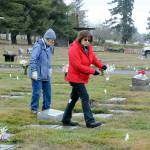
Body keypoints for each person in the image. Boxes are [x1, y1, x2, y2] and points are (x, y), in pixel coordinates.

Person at [62, 30, 107, 128]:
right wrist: (92, 71)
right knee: (85, 97)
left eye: (89, 40)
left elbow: (93, 59)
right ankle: (90, 121)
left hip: (81, 77)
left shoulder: (88, 48)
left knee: (73, 98)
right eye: (85, 39)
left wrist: (101, 65)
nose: (87, 42)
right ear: (80, 38)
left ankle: (65, 119)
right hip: (75, 77)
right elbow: (77, 66)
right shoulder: (74, 49)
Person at [28, 28, 56, 114]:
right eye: (51, 41)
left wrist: (50, 68)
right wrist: (34, 71)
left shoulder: (49, 47)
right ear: (46, 39)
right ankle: (34, 109)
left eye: (53, 41)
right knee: (37, 92)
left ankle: (46, 108)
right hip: (37, 74)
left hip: (46, 74)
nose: (53, 43)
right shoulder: (38, 46)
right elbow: (33, 59)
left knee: (48, 92)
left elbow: (48, 60)